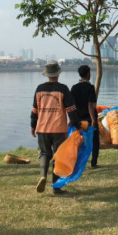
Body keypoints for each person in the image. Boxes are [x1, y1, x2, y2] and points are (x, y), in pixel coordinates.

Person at [31, 61, 80, 195]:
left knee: (43, 153)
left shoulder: (39, 89)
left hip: (42, 128)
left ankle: (43, 175)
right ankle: (56, 187)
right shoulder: (63, 89)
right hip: (59, 129)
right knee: (58, 157)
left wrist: (32, 126)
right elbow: (71, 110)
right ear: (58, 74)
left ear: (47, 75)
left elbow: (35, 110)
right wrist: (77, 124)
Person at [70, 65, 100, 169]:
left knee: (78, 141)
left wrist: (71, 119)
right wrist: (93, 119)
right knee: (95, 141)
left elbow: (71, 106)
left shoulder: (74, 88)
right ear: (88, 74)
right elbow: (90, 105)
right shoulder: (90, 87)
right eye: (89, 73)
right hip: (88, 119)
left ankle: (75, 162)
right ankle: (93, 162)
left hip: (78, 119)